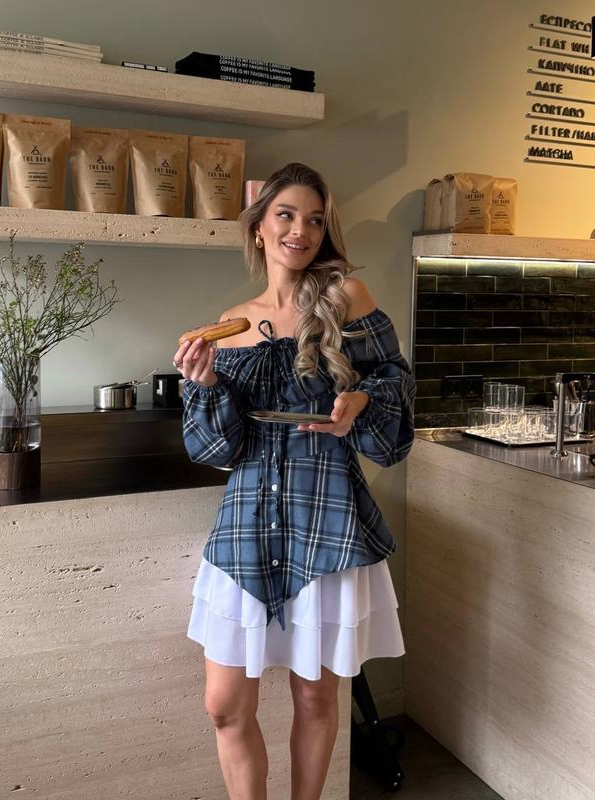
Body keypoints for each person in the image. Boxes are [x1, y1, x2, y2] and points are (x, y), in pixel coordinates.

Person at [172, 162, 416, 800]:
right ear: (259, 228)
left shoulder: (346, 298)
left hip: (326, 521)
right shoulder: (231, 323)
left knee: (314, 697)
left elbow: (396, 381)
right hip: (247, 527)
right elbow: (218, 449)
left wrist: (361, 400)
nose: (300, 231)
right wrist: (206, 384)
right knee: (224, 705)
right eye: (285, 215)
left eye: (314, 219)